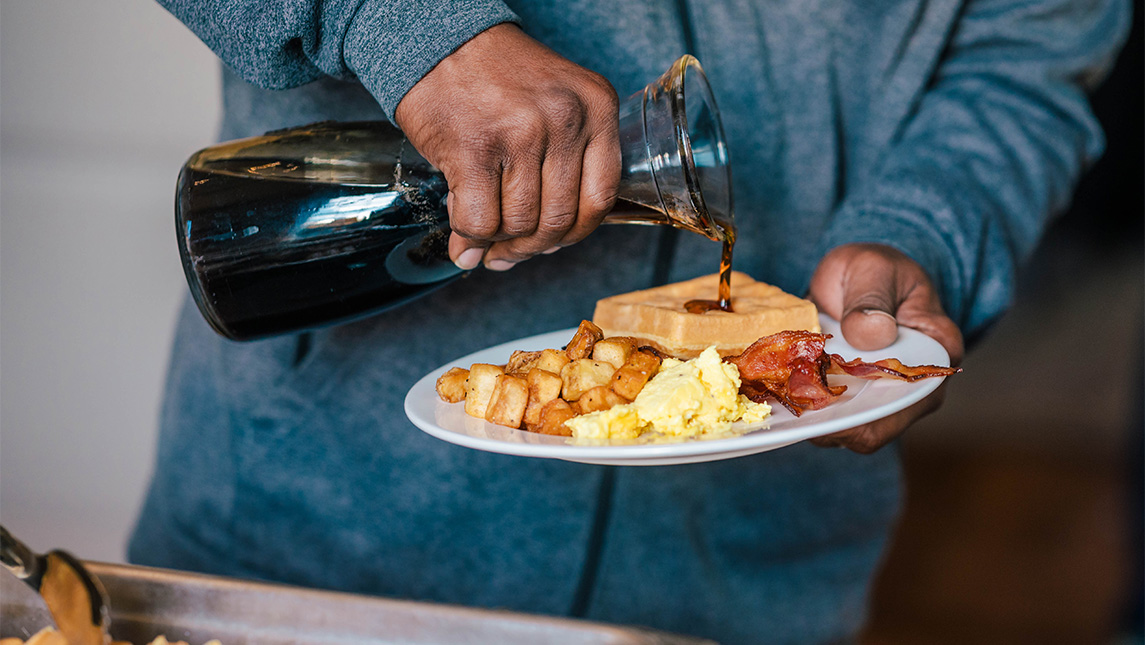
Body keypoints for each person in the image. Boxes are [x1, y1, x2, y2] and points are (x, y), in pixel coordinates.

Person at [130, 1, 1129, 643]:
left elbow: (1024, 52)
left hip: (746, 576)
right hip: (317, 544)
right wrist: (404, 25)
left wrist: (921, 233)